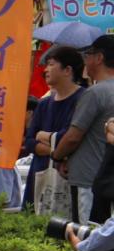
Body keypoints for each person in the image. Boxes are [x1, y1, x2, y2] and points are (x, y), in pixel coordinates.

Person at [52, 35, 114, 222]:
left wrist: (57, 156)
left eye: (88, 54)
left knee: (86, 235)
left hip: (88, 178)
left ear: (99, 58)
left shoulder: (95, 93)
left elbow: (73, 137)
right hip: (109, 179)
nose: (85, 60)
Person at [23, 46, 84, 213]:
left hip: (67, 174)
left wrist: (43, 136)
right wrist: (55, 150)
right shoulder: (44, 104)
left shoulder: (83, 99)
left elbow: (70, 137)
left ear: (67, 70)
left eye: (51, 64)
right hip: (39, 172)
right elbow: (29, 142)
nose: (46, 70)